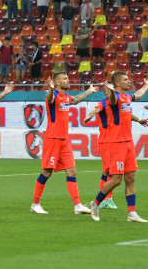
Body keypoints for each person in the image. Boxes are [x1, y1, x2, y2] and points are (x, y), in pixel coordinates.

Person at [87, 76, 148, 223]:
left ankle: (132, 213)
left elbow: (138, 95)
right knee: (116, 180)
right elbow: (112, 100)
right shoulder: (115, 98)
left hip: (128, 143)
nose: (128, 81)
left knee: (130, 178)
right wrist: (111, 92)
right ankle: (95, 203)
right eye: (125, 79)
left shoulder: (127, 97)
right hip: (116, 144)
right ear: (117, 83)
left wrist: (147, 85)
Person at [30, 72, 98, 215]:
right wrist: (50, 89)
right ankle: (35, 204)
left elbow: (76, 100)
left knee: (72, 171)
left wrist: (90, 91)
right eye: (65, 79)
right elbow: (49, 99)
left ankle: (78, 205)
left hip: (64, 140)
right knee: (47, 172)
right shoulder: (53, 96)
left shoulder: (66, 97)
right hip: (53, 139)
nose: (68, 80)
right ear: (58, 83)